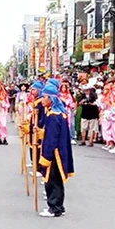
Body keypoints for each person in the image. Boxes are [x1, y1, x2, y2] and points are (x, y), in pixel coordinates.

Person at [38, 83, 74, 217]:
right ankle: (59, 206)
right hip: (60, 150)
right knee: (56, 180)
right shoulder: (59, 114)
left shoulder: (54, 116)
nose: (42, 100)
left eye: (44, 97)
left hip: (54, 153)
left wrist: (45, 156)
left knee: (52, 181)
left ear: (51, 99)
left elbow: (52, 138)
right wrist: (41, 132)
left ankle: (54, 208)